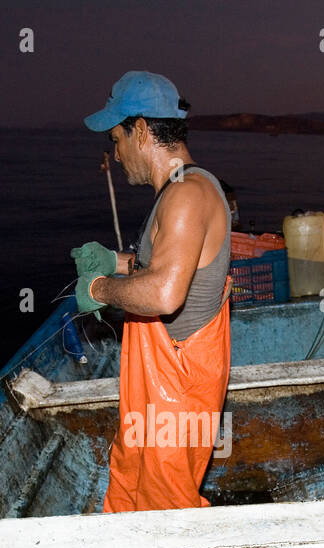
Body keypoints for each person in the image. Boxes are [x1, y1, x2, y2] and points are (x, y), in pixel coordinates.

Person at [73, 71, 233, 513]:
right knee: (137, 479)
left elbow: (164, 294)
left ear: (141, 130)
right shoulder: (182, 190)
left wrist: (100, 288)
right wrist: (114, 262)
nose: (116, 154)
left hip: (178, 387)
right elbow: (168, 266)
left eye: (117, 139)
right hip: (164, 382)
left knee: (166, 505)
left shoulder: (185, 196)